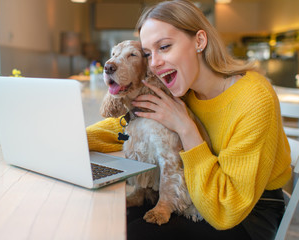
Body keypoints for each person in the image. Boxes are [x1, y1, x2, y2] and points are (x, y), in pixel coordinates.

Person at [86, 1, 292, 239]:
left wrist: (186, 128)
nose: (154, 63)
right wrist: (73, 139)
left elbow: (225, 211)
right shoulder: (183, 88)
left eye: (164, 47)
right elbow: (133, 123)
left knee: (134, 234)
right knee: (106, 220)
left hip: (245, 213)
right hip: (193, 194)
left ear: (199, 41)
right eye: (148, 54)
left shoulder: (253, 98)